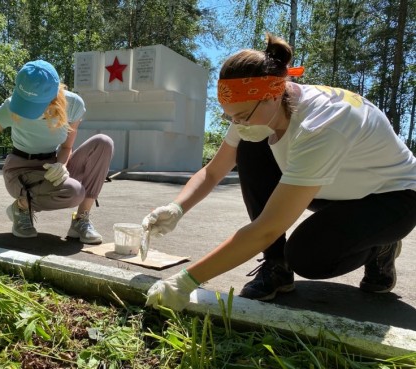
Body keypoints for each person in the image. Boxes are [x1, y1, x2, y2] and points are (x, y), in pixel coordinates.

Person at [143, 33, 416, 311]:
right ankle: (276, 266)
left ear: (273, 96)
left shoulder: (320, 125)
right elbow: (213, 172)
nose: (237, 124)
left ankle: (381, 245)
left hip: (392, 199)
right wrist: (176, 208)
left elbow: (267, 228)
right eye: (230, 117)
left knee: (308, 257)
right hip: (337, 186)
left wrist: (187, 280)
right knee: (249, 146)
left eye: (243, 117)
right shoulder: (256, 107)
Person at [0, 60, 113, 243]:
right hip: (20, 169)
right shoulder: (10, 107)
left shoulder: (73, 105)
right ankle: (21, 207)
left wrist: (61, 165)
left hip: (51, 165)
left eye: (35, 104)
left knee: (103, 143)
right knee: (74, 192)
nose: (27, 111)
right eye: (25, 102)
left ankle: (81, 220)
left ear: (54, 95)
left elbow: (66, 147)